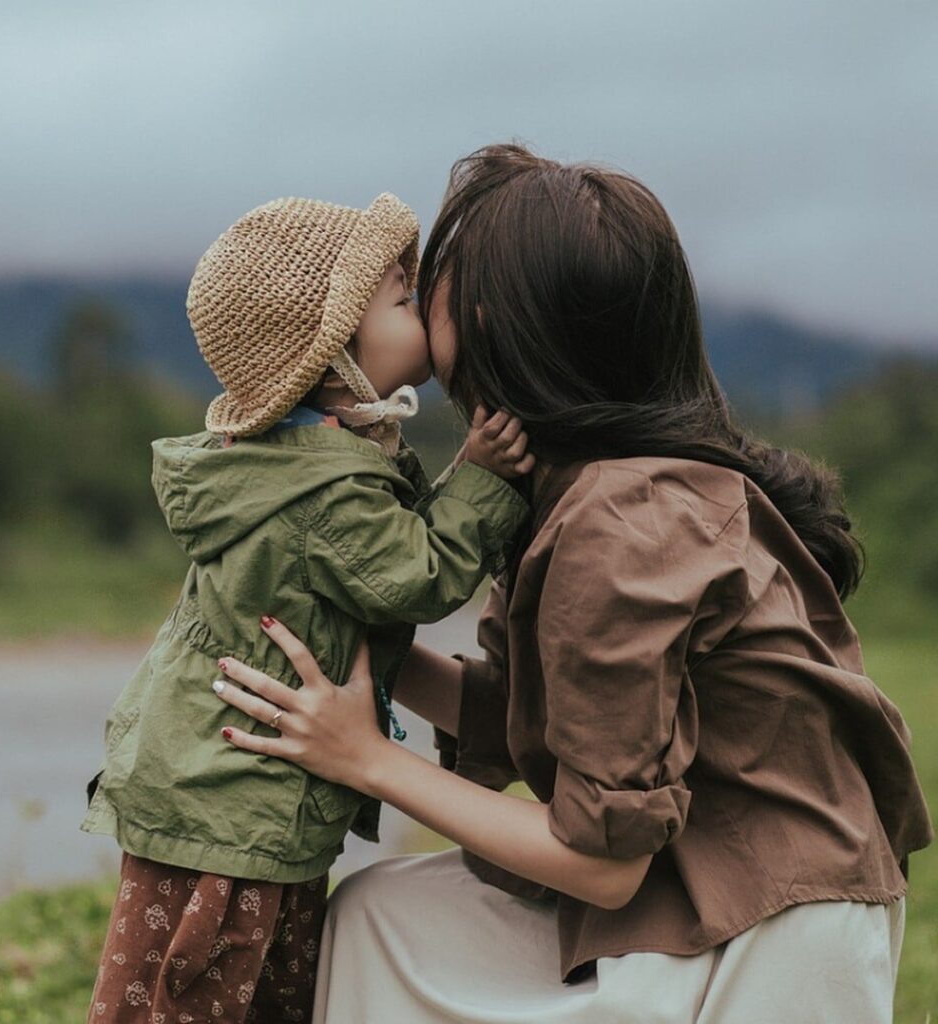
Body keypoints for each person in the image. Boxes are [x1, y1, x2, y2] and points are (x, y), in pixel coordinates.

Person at [211, 144, 934, 1023]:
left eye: (424, 283)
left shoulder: (620, 519)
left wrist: (366, 756)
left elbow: (600, 857)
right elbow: (531, 716)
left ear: (487, 318)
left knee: (389, 926)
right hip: (701, 881)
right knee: (378, 920)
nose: (411, 295)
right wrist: (348, 645)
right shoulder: (581, 484)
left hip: (770, 932)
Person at [81, 191, 534, 1023]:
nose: (421, 304)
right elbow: (417, 575)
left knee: (257, 989)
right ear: (333, 358)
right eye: (402, 299)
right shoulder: (318, 486)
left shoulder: (310, 460)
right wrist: (484, 481)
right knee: (202, 993)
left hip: (235, 795)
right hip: (231, 806)